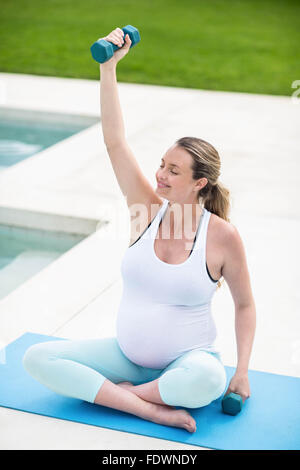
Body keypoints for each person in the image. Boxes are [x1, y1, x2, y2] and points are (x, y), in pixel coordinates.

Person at [22, 29, 256, 434]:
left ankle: (125, 395)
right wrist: (107, 68)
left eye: (173, 170)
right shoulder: (145, 211)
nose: (160, 175)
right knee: (37, 358)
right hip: (125, 356)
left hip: (187, 361)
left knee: (208, 382)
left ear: (200, 183)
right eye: (161, 163)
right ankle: (147, 405)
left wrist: (243, 372)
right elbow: (115, 141)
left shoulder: (221, 236)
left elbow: (245, 306)